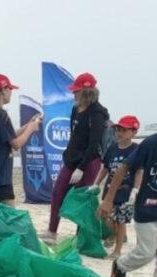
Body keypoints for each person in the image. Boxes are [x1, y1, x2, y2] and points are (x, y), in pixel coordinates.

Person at [41, 72, 109, 243]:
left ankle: (81, 237)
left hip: (89, 162)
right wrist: (68, 157)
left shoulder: (98, 113)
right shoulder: (75, 109)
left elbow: (94, 142)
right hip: (70, 160)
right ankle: (52, 231)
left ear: (87, 92)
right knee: (58, 193)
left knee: (82, 201)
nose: (73, 94)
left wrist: (82, 167)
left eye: (76, 91)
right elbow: (74, 135)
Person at [99, 133, 157, 277]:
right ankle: (121, 266)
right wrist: (109, 199)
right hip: (147, 208)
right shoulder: (151, 143)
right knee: (146, 252)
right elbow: (124, 167)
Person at [0, 73, 41, 207]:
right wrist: (31, 129)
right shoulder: (1, 115)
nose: (11, 92)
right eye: (10, 89)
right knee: (10, 216)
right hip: (0, 176)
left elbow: (7, 137)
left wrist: (26, 125)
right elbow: (16, 144)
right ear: (3, 91)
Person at [95, 115, 141, 260]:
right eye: (117, 129)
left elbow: (140, 170)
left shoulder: (137, 149)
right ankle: (114, 234)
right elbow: (105, 168)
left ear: (134, 132)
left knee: (121, 221)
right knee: (105, 216)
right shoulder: (112, 148)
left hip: (126, 193)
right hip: (109, 190)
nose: (119, 133)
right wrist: (95, 184)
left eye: (124, 130)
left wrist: (136, 189)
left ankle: (117, 251)